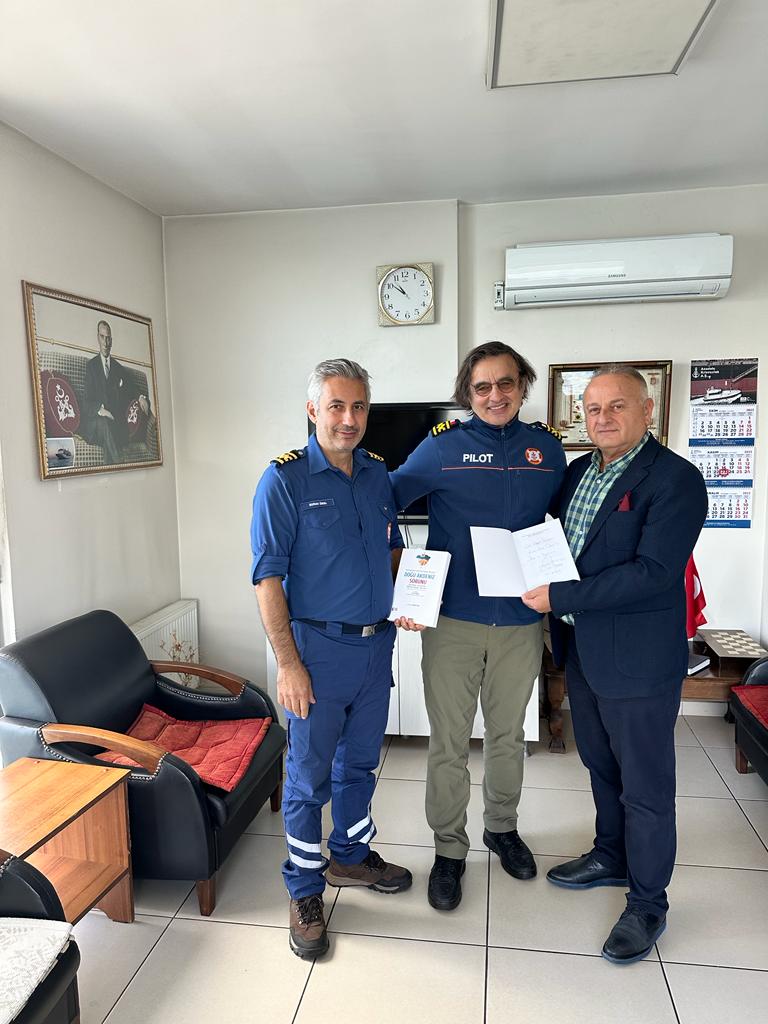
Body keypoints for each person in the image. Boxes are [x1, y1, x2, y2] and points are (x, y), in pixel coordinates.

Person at [521, 365, 707, 965]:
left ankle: (648, 903)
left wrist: (560, 596)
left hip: (638, 660)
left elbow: (653, 572)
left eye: (617, 406)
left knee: (646, 786)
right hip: (583, 649)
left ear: (647, 411)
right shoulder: (579, 472)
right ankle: (611, 855)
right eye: (594, 408)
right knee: (600, 764)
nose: (602, 418)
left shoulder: (676, 479)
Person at [390, 341, 566, 910]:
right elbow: (384, 498)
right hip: (453, 620)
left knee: (508, 735)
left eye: (506, 383)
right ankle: (448, 849)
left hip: (520, 620)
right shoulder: (443, 446)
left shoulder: (547, 449)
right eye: (482, 386)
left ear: (522, 386)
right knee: (448, 742)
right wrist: (400, 571)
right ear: (468, 392)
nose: (495, 395)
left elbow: (565, 525)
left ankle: (501, 828)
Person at [250, 358, 412, 960]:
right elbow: (267, 580)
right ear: (313, 409)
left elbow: (391, 552)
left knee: (361, 764)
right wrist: (288, 665)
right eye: (336, 406)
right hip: (316, 653)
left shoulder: (376, 474)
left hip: (376, 646)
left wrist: (410, 598)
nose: (349, 418)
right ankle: (304, 889)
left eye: (359, 406)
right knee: (307, 776)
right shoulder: (284, 480)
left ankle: (348, 855)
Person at [81, 320, 150, 464]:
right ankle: (120, 463)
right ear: (98, 338)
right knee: (104, 423)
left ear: (111, 341)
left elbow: (131, 387)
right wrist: (101, 410)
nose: (105, 343)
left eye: (108, 338)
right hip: (96, 426)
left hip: (114, 426)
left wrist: (141, 397)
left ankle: (111, 471)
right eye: (102, 337)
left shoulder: (118, 368)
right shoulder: (91, 366)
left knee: (110, 435)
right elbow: (86, 402)